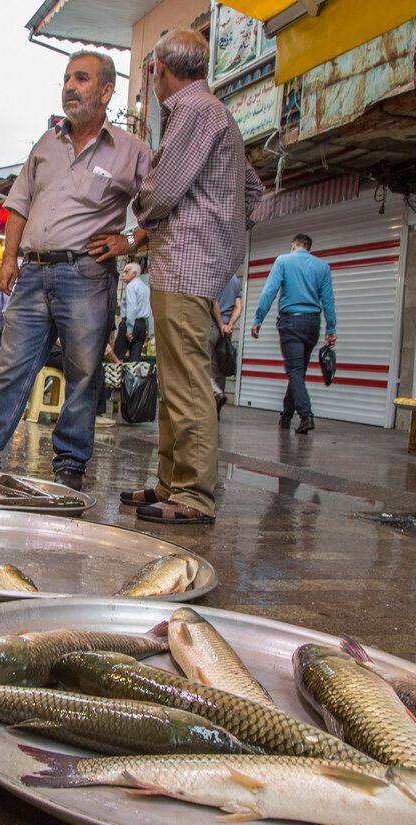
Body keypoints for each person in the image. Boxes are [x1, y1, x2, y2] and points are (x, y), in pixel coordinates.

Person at [0, 49, 151, 491]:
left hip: (86, 275)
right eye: (66, 79)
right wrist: (8, 260)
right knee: (12, 368)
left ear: (106, 91)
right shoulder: (47, 143)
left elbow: (161, 205)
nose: (70, 87)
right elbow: (19, 204)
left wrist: (132, 241)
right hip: (32, 273)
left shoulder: (132, 152)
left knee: (83, 375)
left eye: (81, 79)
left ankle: (69, 464)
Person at [106, 29, 263, 524]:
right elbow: (253, 191)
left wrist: (145, 222)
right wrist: (223, 231)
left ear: (158, 72)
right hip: (195, 259)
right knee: (175, 377)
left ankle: (192, 494)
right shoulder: (216, 114)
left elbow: (160, 191)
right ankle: (170, 483)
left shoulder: (193, 111)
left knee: (188, 382)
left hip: (187, 261)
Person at [251, 233, 337, 434]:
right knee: (298, 370)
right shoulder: (322, 267)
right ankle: (286, 416)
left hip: (291, 322)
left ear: (293, 246)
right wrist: (331, 329)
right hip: (312, 324)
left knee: (295, 370)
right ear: (308, 248)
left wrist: (258, 319)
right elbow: (328, 300)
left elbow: (269, 291)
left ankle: (306, 415)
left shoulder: (283, 261)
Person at [209, 274, 243, 417]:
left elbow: (213, 301)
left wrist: (220, 324)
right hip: (226, 331)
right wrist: (229, 325)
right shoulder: (235, 279)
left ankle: (214, 397)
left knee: (206, 365)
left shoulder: (215, 275)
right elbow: (238, 306)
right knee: (220, 369)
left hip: (212, 326)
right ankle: (216, 409)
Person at [114, 262, 151, 361]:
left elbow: (132, 308)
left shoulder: (131, 287)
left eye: (126, 271)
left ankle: (115, 376)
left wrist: (129, 330)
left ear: (134, 274)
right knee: (135, 360)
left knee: (116, 357)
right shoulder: (146, 288)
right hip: (142, 325)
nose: (123, 274)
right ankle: (135, 377)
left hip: (130, 324)